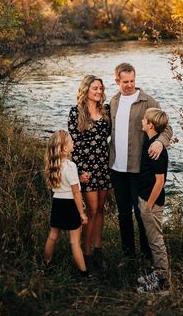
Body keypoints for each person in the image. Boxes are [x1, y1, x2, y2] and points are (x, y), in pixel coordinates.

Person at [109, 62, 172, 260]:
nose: (129, 85)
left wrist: (160, 143)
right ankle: (128, 255)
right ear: (117, 81)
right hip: (116, 169)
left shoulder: (147, 101)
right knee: (123, 215)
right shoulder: (113, 101)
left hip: (138, 169)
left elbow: (166, 127)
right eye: (125, 81)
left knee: (142, 214)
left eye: (132, 81)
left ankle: (147, 256)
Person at [68, 75, 111, 269]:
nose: (99, 91)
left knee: (101, 210)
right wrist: (80, 172)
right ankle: (86, 254)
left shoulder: (106, 110)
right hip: (86, 169)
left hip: (103, 166)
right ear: (86, 89)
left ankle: (98, 249)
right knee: (91, 211)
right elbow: (74, 145)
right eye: (95, 88)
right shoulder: (75, 112)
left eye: (100, 88)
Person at [43, 129, 90, 277]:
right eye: (71, 141)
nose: (73, 143)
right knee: (74, 242)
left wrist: (78, 179)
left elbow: (62, 184)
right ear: (64, 148)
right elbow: (76, 193)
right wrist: (82, 213)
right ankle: (84, 273)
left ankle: (46, 264)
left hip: (57, 204)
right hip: (70, 206)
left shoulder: (53, 165)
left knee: (52, 236)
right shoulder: (71, 166)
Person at [136, 108, 170, 293]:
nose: (142, 120)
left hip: (152, 202)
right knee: (151, 239)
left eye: (144, 119)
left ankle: (163, 283)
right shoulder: (149, 142)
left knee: (156, 241)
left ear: (150, 125)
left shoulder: (156, 149)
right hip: (145, 198)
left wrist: (148, 205)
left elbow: (160, 181)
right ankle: (157, 274)